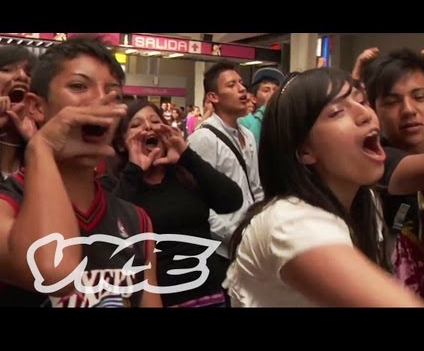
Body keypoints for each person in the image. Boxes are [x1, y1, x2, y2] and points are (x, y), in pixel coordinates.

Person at [223, 67, 424, 307]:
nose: (365, 114)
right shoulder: (290, 221)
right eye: (338, 112)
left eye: (361, 100)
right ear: (304, 150)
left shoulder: (367, 201)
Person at [0, 35, 162, 307]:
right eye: (79, 86)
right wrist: (42, 147)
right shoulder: (7, 205)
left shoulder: (137, 222)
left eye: (113, 93)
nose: (101, 100)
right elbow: (53, 272)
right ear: (36, 107)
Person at [102, 99, 243, 307]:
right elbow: (111, 232)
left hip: (211, 294)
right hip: (160, 299)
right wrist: (135, 169)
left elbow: (231, 201)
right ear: (122, 142)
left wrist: (186, 155)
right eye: (136, 125)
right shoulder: (116, 183)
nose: (148, 127)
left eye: (154, 121)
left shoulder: (184, 174)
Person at [365, 48, 424, 306]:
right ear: (373, 109)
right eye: (392, 101)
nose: (408, 110)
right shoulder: (375, 161)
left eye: (419, 96)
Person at [188, 62, 263, 270]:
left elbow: (255, 187)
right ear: (213, 97)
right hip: (220, 248)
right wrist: (233, 233)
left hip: (250, 239)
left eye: (241, 83)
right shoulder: (204, 138)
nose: (241, 89)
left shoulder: (247, 135)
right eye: (231, 85)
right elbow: (197, 202)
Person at [0, 45, 38, 179]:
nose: (22, 76)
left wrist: (39, 146)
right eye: (6, 70)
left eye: (29, 73)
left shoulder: (46, 140)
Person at [239, 67, 284, 147]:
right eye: (266, 90)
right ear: (254, 98)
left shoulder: (284, 120)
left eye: (276, 90)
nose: (272, 94)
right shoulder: (244, 122)